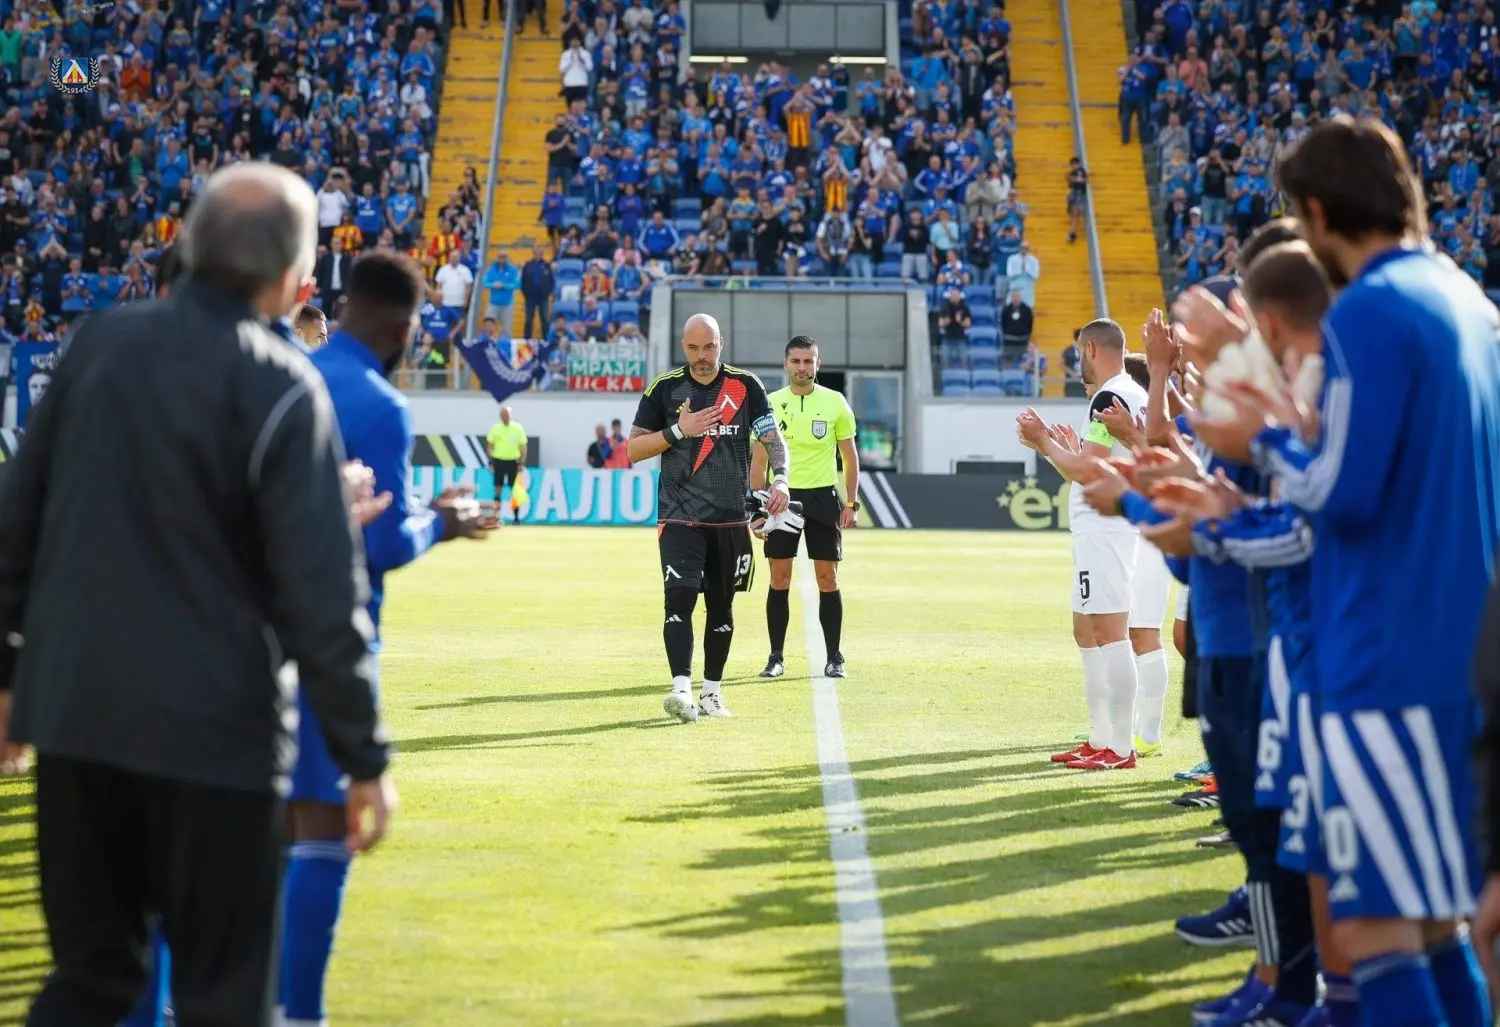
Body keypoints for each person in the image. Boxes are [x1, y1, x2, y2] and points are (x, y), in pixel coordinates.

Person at [0, 162, 394, 1027]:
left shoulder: (98, 344)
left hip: (78, 719)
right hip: (216, 735)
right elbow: (323, 597)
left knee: (91, 979)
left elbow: (14, 523)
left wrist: (7, 675)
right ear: (295, 280)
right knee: (224, 993)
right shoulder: (283, 384)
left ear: (188, 243)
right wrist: (364, 758)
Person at [1193, 116, 1499, 1027]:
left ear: (1318, 212)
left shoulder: (1369, 307)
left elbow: (1341, 490)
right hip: (1464, 648)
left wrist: (1263, 438)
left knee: (1376, 931)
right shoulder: (1469, 298)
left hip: (1389, 652)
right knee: (1435, 923)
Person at [281, 252, 497, 1027]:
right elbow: (378, 543)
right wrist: (441, 522)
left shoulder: (292, 373)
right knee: (324, 825)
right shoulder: (378, 403)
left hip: (247, 632)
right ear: (407, 330)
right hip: (330, 637)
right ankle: (299, 1011)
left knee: (246, 830)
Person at [628, 313, 790, 722]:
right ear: (683, 347)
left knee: (721, 608)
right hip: (679, 517)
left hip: (730, 520)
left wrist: (782, 480)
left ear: (722, 344)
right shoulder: (664, 389)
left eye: (709, 347)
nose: (702, 356)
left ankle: (711, 694)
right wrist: (678, 431)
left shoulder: (745, 386)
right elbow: (633, 450)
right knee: (679, 600)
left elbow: (772, 438)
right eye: (694, 348)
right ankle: (681, 690)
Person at [1015, 318, 1148, 771]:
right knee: (1087, 632)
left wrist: (1044, 443)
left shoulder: (1111, 397)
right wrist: (1055, 447)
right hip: (1101, 528)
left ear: (1090, 349)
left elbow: (1088, 472)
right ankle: (1101, 738)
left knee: (1110, 634)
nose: (1077, 364)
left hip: (1107, 528)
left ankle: (1121, 747)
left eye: (1077, 354)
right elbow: (1090, 465)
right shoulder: (1124, 393)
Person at [752, 336, 859, 680]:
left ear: (817, 364)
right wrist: (757, 508)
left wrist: (851, 502)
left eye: (808, 361)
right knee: (779, 578)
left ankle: (834, 657)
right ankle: (775, 657)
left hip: (822, 499)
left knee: (827, 579)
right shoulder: (769, 404)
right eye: (796, 361)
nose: (802, 367)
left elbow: (849, 456)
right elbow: (759, 460)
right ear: (786, 364)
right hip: (781, 500)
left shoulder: (835, 402)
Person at [487, 405, 528, 522]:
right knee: (498, 489)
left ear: (510, 415)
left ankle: (516, 517)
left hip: (513, 462)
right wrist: (491, 461)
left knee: (514, 490)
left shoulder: (518, 428)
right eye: (503, 414)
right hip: (498, 461)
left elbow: (523, 446)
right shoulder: (495, 428)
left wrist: (521, 462)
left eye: (507, 414)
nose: (505, 416)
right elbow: (490, 445)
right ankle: (496, 517)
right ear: (500, 416)